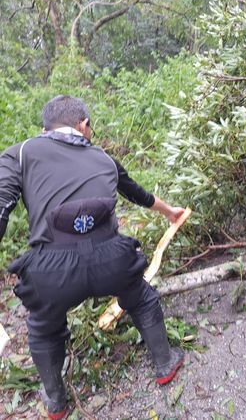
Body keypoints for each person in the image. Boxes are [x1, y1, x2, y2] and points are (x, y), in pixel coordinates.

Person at [0, 95, 186, 419]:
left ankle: (56, 402)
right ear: (83, 125)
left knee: (43, 326)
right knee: (140, 298)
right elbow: (138, 194)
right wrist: (171, 211)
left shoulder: (21, 153)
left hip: (51, 273)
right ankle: (165, 364)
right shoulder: (103, 158)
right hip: (111, 262)